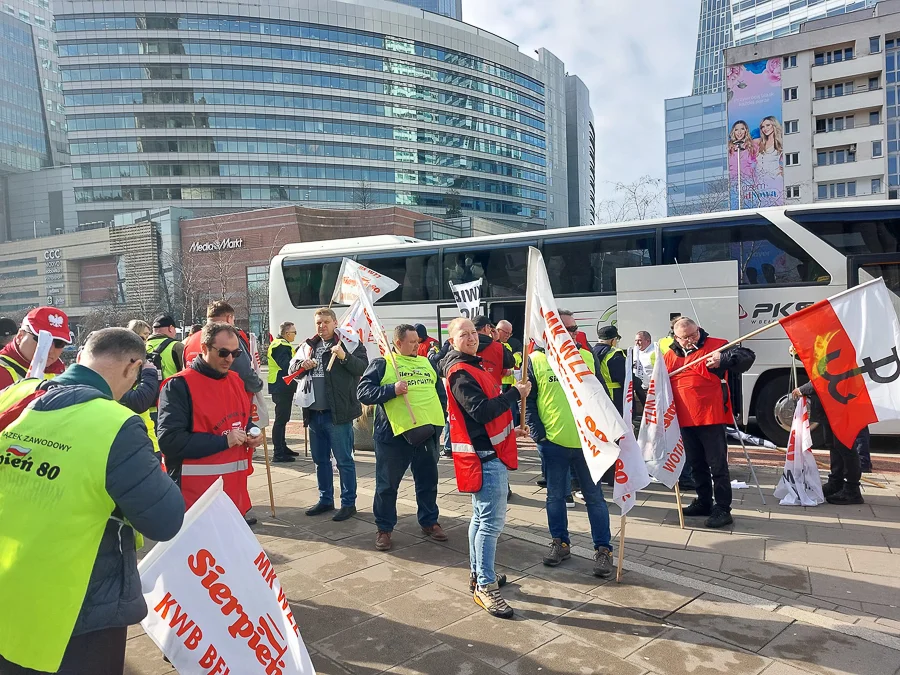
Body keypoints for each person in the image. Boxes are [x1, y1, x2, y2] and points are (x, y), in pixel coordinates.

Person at [0, 328, 184, 675]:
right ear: (133, 367)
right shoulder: (116, 425)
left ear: (82, 355)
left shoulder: (14, 394)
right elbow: (165, 519)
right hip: (75, 611)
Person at [440, 317, 530, 619]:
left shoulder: (471, 366)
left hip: (486, 451)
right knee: (489, 524)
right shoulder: (461, 372)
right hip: (484, 457)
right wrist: (515, 394)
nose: (471, 338)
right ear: (452, 341)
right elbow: (481, 411)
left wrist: (511, 428)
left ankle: (479, 574)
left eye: (473, 333)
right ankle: (485, 586)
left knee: (480, 520)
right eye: (463, 335)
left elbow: (486, 413)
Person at [525, 314, 614, 578]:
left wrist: (609, 430)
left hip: (587, 444)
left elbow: (602, 397)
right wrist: (538, 434)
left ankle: (603, 550)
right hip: (553, 443)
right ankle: (560, 543)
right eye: (568, 328)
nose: (573, 333)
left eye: (575, 328)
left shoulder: (587, 357)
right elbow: (528, 402)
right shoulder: (536, 360)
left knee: (595, 498)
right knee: (555, 497)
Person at [157, 322, 264, 525]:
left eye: (236, 354)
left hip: (233, 494)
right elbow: (170, 441)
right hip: (194, 499)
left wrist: (251, 431)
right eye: (223, 353)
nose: (230, 359)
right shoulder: (178, 385)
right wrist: (224, 441)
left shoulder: (235, 380)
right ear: (204, 348)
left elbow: (241, 418)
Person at [358, 324, 448, 551]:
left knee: (428, 480)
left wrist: (439, 424)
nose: (417, 346)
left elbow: (440, 394)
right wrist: (391, 390)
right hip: (393, 436)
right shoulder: (383, 363)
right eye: (412, 342)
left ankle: (429, 521)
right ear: (398, 343)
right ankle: (384, 529)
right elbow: (363, 393)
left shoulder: (427, 363)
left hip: (426, 434)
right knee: (387, 485)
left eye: (418, 341)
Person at [666, 317, 755, 528]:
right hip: (685, 418)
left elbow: (746, 357)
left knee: (718, 465)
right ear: (676, 337)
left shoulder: (716, 345)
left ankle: (723, 508)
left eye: (694, 334)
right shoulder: (669, 356)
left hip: (711, 416)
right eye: (685, 337)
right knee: (696, 464)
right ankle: (704, 501)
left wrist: (723, 359)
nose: (691, 339)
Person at [290, 307, 368, 522]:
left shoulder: (349, 343)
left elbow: (362, 366)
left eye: (326, 322)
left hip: (338, 414)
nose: (322, 326)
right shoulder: (309, 346)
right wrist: (301, 365)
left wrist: (344, 357)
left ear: (335, 323)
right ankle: (325, 499)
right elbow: (291, 369)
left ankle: (348, 503)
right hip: (314, 414)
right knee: (320, 460)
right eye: (318, 323)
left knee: (344, 461)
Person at [792, 373, 868, 505]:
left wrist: (803, 389)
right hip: (830, 406)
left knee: (845, 446)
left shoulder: (837, 353)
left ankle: (852, 489)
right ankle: (836, 482)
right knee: (833, 444)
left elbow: (829, 375)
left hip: (839, 404)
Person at [183, 301, 263, 401]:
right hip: (226, 399)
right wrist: (257, 384)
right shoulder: (229, 338)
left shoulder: (189, 340)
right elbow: (244, 373)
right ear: (229, 318)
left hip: (194, 398)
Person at [0, 306, 70, 389]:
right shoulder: (2, 371)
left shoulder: (61, 372)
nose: (50, 349)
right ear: (20, 336)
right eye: (42, 340)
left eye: (59, 343)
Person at [123, 321, 163, 455]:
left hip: (148, 427)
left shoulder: (144, 359)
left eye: (147, 337)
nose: (145, 342)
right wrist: (149, 373)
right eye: (142, 337)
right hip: (134, 432)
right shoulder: (124, 363)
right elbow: (137, 401)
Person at [267, 321, 299, 462]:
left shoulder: (281, 344)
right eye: (294, 332)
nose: (295, 335)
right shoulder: (280, 346)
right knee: (281, 419)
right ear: (287, 333)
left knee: (283, 418)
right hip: (281, 385)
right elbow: (287, 365)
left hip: (282, 385)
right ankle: (278, 452)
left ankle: (282, 447)